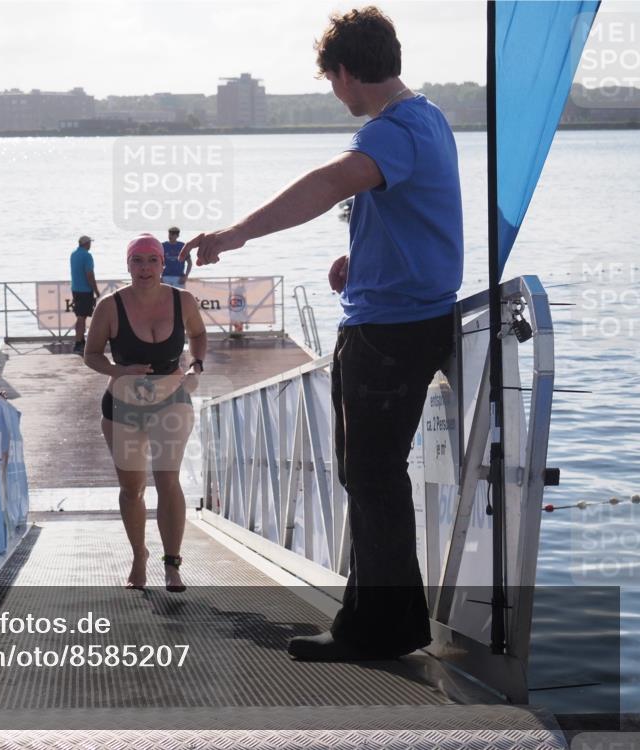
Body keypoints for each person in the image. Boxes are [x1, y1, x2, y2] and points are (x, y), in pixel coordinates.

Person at [180, 6, 462, 661]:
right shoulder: (428, 117)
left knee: (373, 475)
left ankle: (384, 628)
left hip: (390, 331)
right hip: (403, 317)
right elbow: (406, 215)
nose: (335, 93)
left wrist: (235, 233)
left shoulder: (392, 130)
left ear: (345, 72)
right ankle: (372, 619)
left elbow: (327, 183)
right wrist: (359, 259)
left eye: (331, 79)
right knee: (369, 475)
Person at [84, 234, 208, 593]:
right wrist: (117, 371)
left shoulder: (181, 300)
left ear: (163, 264)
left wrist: (196, 367)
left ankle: (173, 565)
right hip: (123, 406)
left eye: (152, 260)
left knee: (168, 481)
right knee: (132, 488)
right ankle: (139, 556)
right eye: (137, 261)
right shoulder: (110, 306)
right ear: (127, 265)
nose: (145, 268)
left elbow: (199, 335)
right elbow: (91, 355)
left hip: (172, 400)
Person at [70, 235, 100, 354]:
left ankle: (81, 340)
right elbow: (89, 275)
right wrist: (96, 290)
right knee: (82, 318)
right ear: (86, 244)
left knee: (80, 317)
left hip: (75, 289)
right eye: (89, 243)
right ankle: (78, 343)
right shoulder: (87, 256)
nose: (90, 245)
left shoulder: (74, 254)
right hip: (85, 290)